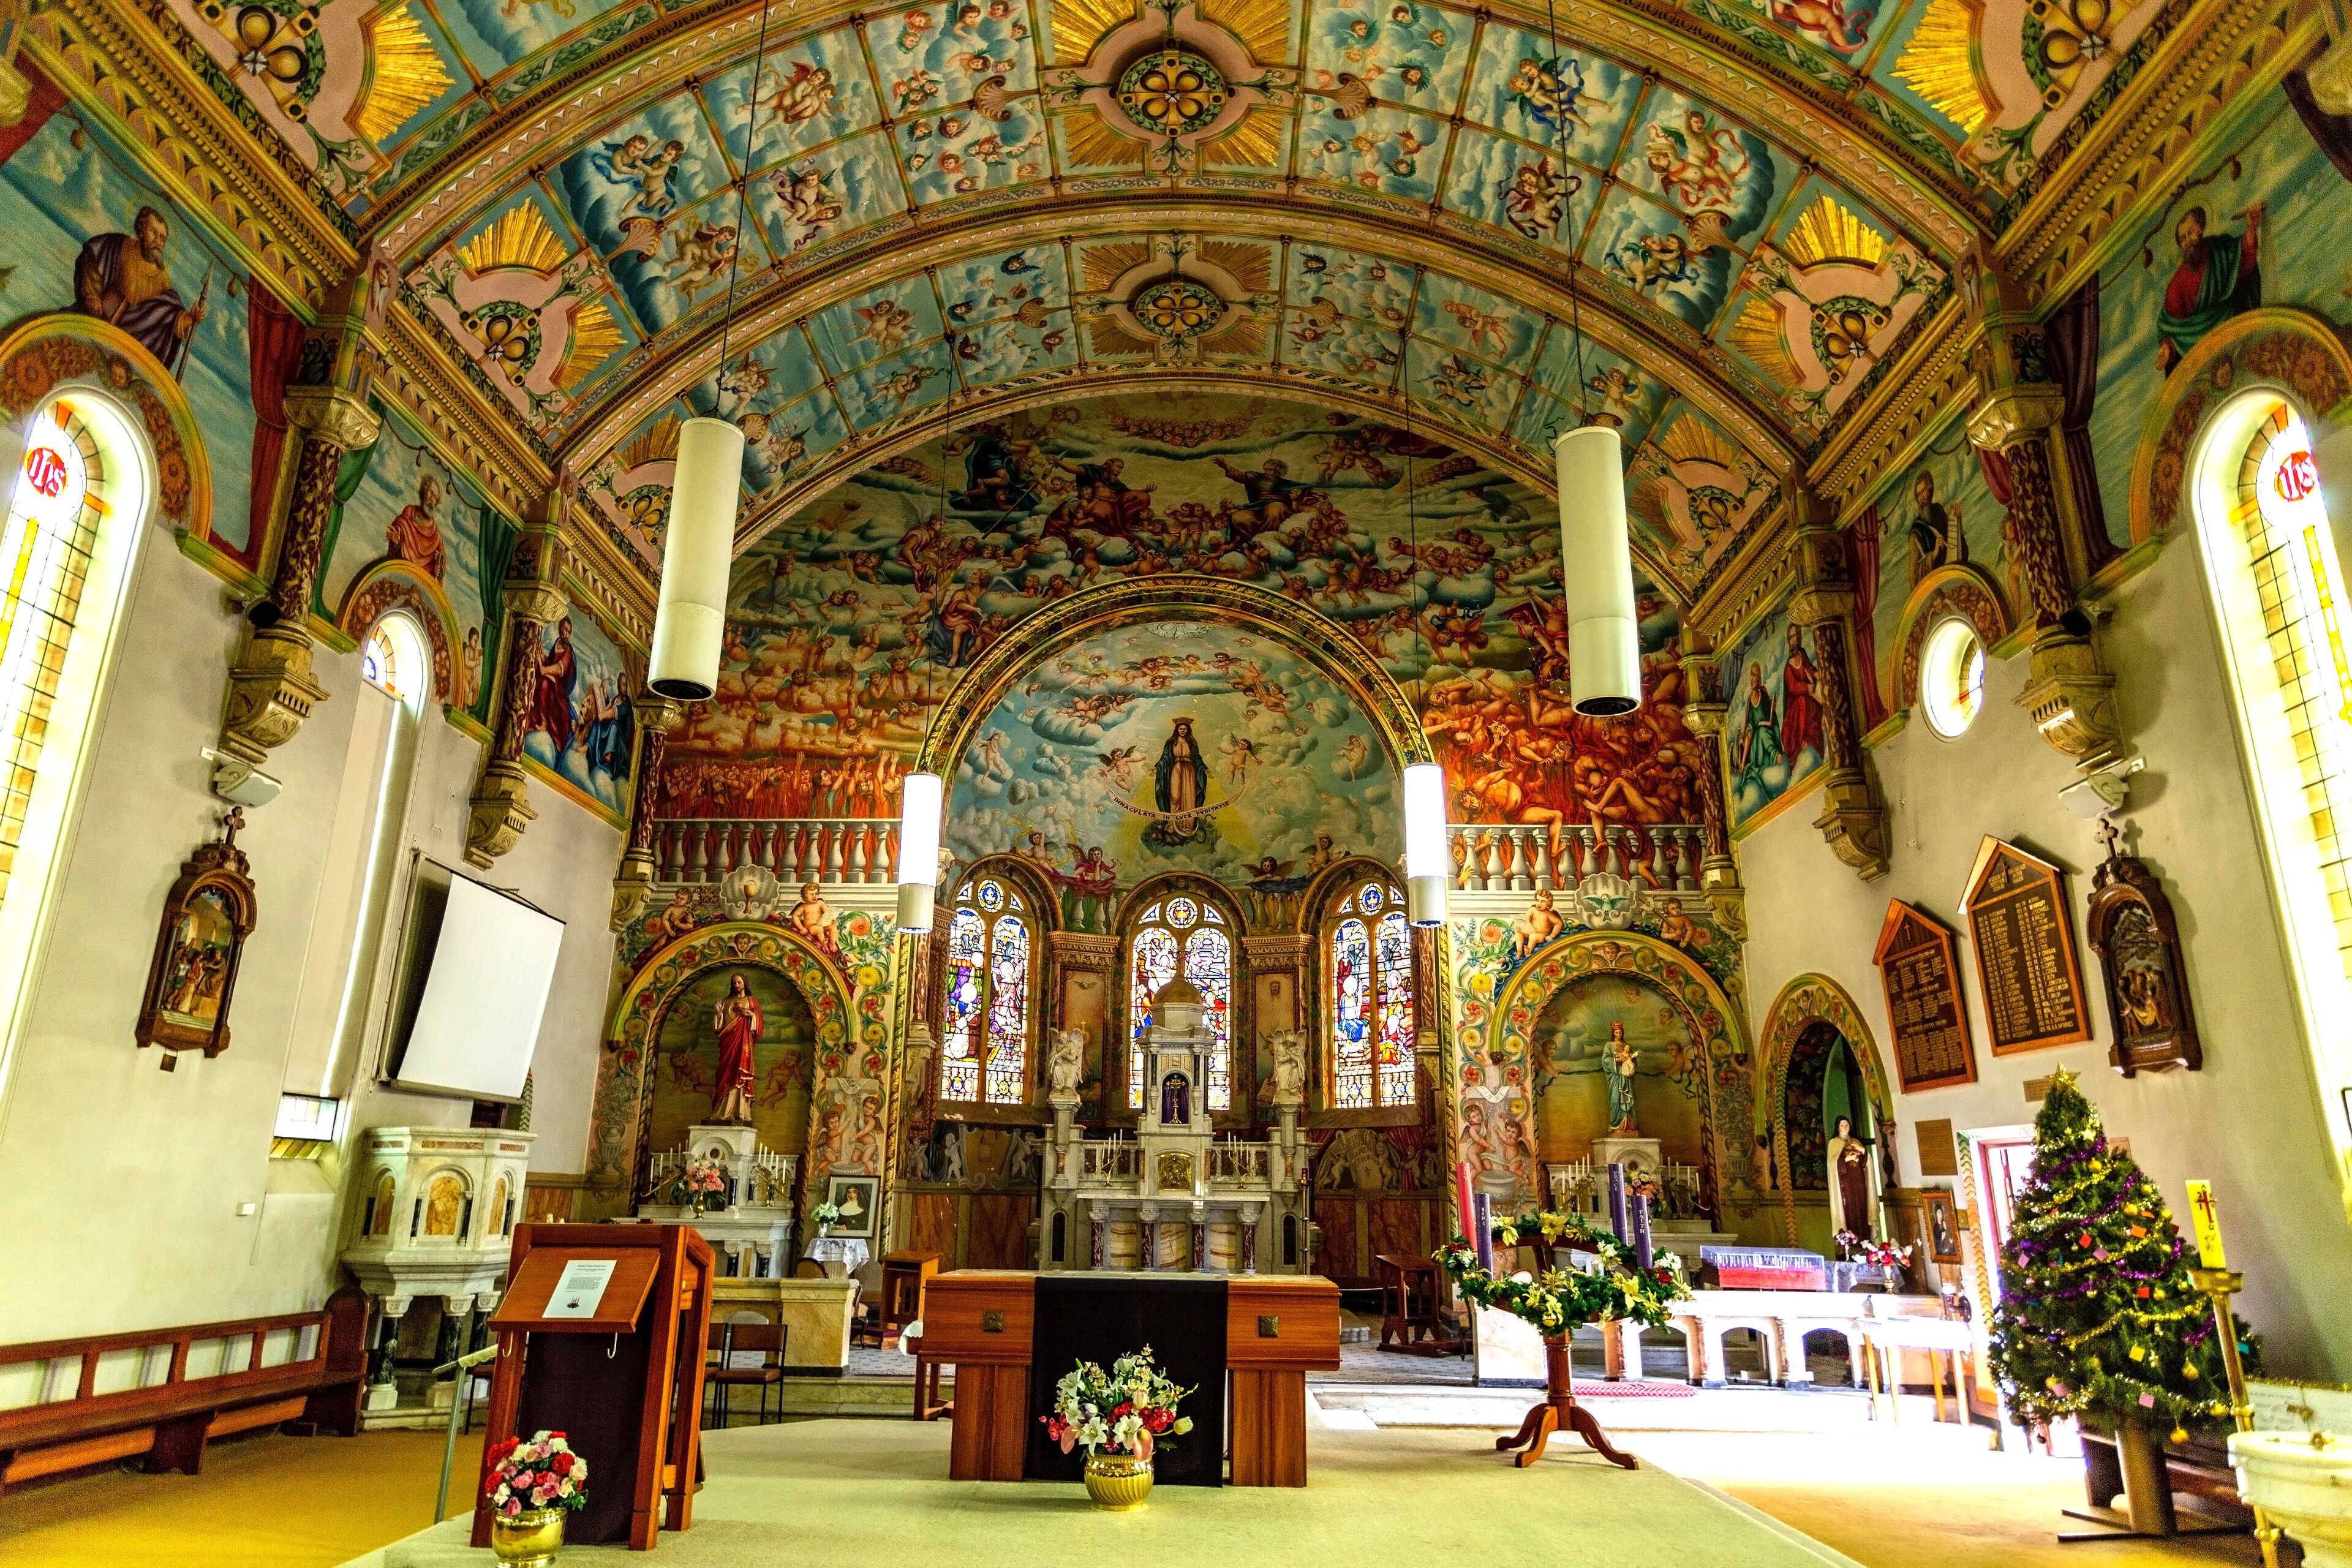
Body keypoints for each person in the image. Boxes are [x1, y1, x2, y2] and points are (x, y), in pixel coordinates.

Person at [72, 206, 208, 369]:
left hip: (127, 348)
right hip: (97, 323)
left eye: (163, 238)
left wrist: (189, 319)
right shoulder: (120, 246)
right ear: (141, 230)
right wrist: (91, 294)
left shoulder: (164, 282)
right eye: (154, 233)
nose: (159, 241)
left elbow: (170, 316)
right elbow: (92, 260)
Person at [2157, 202, 2264, 375]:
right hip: (2200, 347)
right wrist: (2166, 349)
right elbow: (2172, 327)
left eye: (2190, 233)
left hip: (2232, 325)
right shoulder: (2177, 284)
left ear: (2201, 228)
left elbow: (2242, 258)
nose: (2188, 241)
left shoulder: (2220, 249)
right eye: (2183, 239)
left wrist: (2252, 228)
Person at [710, 973, 763, 1124]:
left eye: (739, 982)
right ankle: (722, 1111)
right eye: (734, 982)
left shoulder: (752, 1002)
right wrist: (719, 1013)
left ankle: (741, 1112)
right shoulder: (726, 1002)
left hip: (743, 1043)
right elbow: (718, 1028)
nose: (736, 985)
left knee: (740, 1073)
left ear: (745, 984)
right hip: (728, 1043)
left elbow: (759, 1027)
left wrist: (751, 1015)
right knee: (725, 1072)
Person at [1152, 717, 1209, 845]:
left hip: (1189, 771)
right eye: (1180, 729)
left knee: (1189, 798)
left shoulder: (1192, 743)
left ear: (1188, 730)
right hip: (1176, 769)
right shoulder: (1171, 742)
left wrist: (1205, 770)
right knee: (1175, 796)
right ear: (1177, 730)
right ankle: (1172, 824)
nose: (1182, 731)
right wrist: (1157, 768)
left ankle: (1187, 827)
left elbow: (1198, 759)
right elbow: (1165, 758)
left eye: (1184, 729)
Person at [1780, 624, 1822, 764]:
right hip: (1795, 705)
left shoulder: (1802, 654)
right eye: (1791, 637)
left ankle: (1812, 740)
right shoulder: (1788, 667)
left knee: (1815, 703)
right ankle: (1803, 740)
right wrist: (1806, 688)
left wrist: (1817, 674)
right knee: (1803, 703)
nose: (1794, 640)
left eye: (1796, 636)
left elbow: (1809, 668)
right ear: (1789, 640)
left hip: (1807, 696)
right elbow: (1792, 687)